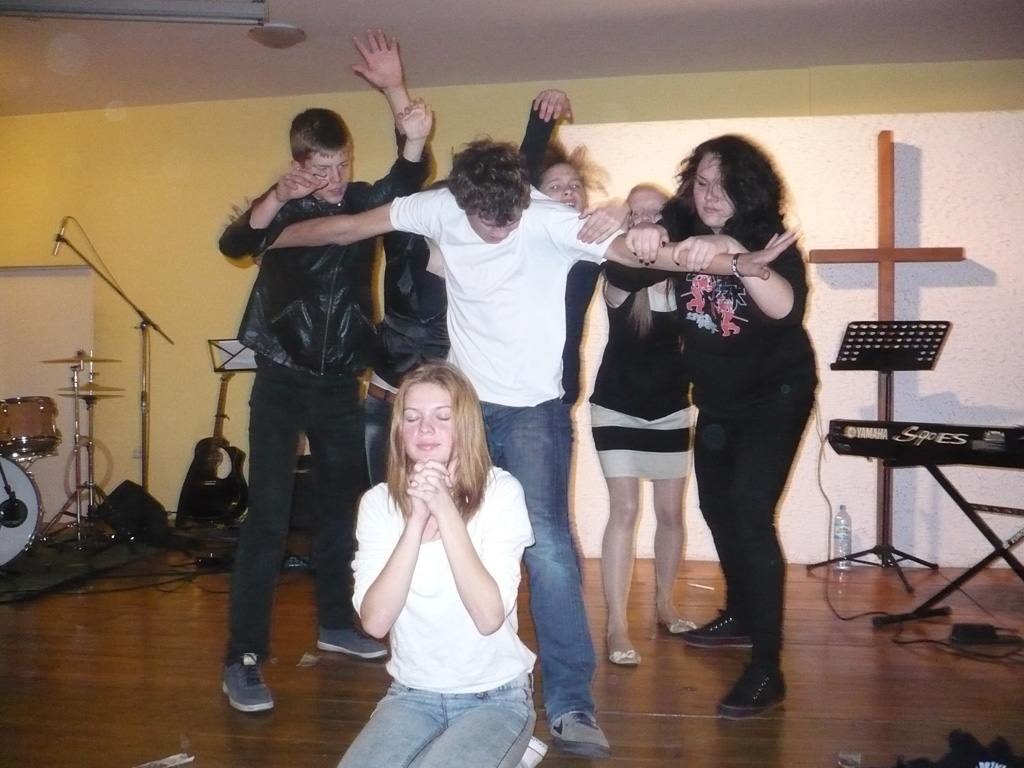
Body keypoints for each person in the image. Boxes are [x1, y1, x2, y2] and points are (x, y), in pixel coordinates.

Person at [262, 136, 796, 752]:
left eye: (508, 218)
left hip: (534, 412)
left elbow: (646, 253)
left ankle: (571, 704)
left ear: (524, 198)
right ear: (461, 202)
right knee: (436, 531)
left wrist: (738, 264)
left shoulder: (547, 219)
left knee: (548, 550)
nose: (498, 231)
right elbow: (346, 228)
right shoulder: (436, 207)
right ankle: (449, 684)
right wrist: (266, 239)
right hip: (465, 409)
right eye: (485, 222)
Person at [216, 30, 432, 713]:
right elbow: (235, 243)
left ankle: (337, 623)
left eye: (343, 166)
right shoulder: (282, 209)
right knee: (268, 517)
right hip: (281, 377)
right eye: (322, 169)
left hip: (342, 378)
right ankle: (243, 657)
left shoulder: (361, 201)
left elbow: (408, 179)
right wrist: (276, 195)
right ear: (299, 164)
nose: (335, 180)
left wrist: (396, 93)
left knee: (343, 508)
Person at [631, 134, 818, 718]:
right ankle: (739, 613)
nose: (711, 197)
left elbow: (786, 309)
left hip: (775, 396)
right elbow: (637, 217)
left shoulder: (769, 237)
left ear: (749, 190)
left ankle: (767, 667)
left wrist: (735, 252)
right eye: (703, 183)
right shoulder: (682, 219)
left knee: (749, 512)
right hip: (716, 401)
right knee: (716, 508)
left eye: (725, 187)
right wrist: (636, 223)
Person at [363, 89, 573, 486]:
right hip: (386, 400)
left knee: (456, 504)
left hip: (447, 410)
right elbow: (403, 182)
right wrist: (395, 94)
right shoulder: (403, 246)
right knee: (390, 504)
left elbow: (514, 182)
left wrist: (540, 125)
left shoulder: (482, 259)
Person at [338, 362, 538, 768]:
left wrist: (444, 510)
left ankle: (508, 748)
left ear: (465, 426)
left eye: (442, 417)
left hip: (495, 698)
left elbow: (488, 617)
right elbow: (375, 622)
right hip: (411, 695)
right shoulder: (377, 504)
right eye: (412, 418)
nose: (425, 429)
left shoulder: (501, 494)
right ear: (399, 431)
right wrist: (415, 521)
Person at [592, 184, 696, 667]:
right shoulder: (619, 272)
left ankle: (665, 604)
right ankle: (616, 623)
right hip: (616, 406)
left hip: (672, 408)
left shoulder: (684, 277)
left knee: (671, 513)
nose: (649, 221)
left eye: (658, 212)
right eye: (637, 214)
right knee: (625, 510)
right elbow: (632, 265)